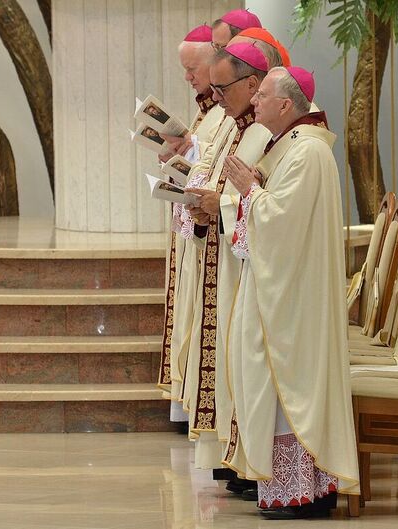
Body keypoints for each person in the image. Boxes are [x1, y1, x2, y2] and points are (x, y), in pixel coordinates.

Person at [222, 66, 360, 519]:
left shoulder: (307, 155)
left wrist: (250, 191)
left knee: (288, 385)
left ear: (285, 104)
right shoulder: (292, 148)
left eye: (261, 95)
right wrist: (255, 190)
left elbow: (282, 224)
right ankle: (294, 488)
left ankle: (301, 492)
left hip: (295, 297)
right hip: (286, 288)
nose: (254, 101)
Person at [181, 42, 272, 496]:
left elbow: (269, 200)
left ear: (253, 83)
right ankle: (235, 454)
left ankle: (249, 458)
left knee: (245, 365)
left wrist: (224, 206)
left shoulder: (268, 133)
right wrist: (205, 209)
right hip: (226, 256)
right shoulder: (236, 126)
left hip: (249, 269)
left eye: (222, 87)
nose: (215, 97)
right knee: (230, 361)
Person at [157, 24, 227, 434]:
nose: (189, 78)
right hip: (203, 230)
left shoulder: (228, 113)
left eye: (192, 68)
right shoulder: (212, 110)